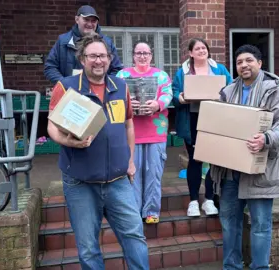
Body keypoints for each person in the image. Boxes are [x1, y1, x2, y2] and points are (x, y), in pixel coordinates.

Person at [47, 33, 149, 270]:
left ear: (110, 58)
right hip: (80, 182)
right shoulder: (67, 87)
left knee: (135, 237)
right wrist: (69, 142)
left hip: (118, 180)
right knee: (88, 247)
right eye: (92, 55)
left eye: (103, 55)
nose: (98, 61)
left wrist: (131, 161)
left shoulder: (120, 85)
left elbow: (128, 124)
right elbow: (52, 125)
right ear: (82, 59)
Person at [211, 44, 279, 270]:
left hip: (261, 171)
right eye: (239, 62)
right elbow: (218, 125)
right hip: (230, 171)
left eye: (249, 60)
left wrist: (267, 138)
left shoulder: (276, 91)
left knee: (260, 225)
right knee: (229, 224)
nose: (243, 65)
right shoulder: (227, 92)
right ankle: (232, 267)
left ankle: (260, 268)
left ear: (260, 63)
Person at [172, 37, 232, 217]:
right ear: (190, 53)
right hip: (192, 118)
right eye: (197, 48)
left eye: (204, 48)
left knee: (213, 159)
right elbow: (175, 91)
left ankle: (209, 199)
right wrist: (181, 97)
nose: (201, 50)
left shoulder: (219, 69)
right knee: (195, 159)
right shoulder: (182, 72)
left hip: (214, 117)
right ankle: (192, 201)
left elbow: (230, 88)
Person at [116, 41, 173, 224]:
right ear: (133, 55)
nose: (142, 56)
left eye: (145, 53)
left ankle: (151, 212)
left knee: (153, 173)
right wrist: (125, 103)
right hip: (130, 132)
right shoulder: (122, 75)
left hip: (155, 131)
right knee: (132, 173)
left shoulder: (161, 75)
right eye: (138, 53)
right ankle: (133, 211)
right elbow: (115, 96)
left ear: (151, 55)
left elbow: (167, 94)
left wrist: (157, 104)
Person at [44, 5, 123, 84]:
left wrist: (104, 86)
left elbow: (117, 70)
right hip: (70, 93)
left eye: (93, 21)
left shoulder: (107, 43)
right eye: (86, 19)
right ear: (77, 19)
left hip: (100, 94)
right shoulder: (63, 42)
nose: (90, 24)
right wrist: (65, 84)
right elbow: (50, 67)